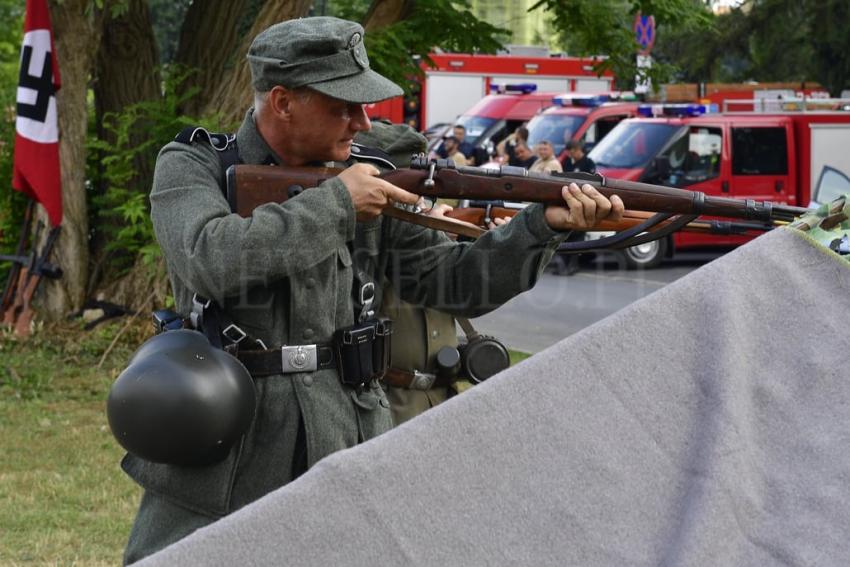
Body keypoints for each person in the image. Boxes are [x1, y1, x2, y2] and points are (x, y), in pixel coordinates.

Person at [122, 16, 623, 563]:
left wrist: (541, 227)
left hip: (348, 431)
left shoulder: (364, 174)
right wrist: (338, 204)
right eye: (343, 105)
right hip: (228, 442)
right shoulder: (195, 163)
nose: (363, 121)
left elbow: (453, 283)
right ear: (284, 102)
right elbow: (207, 259)